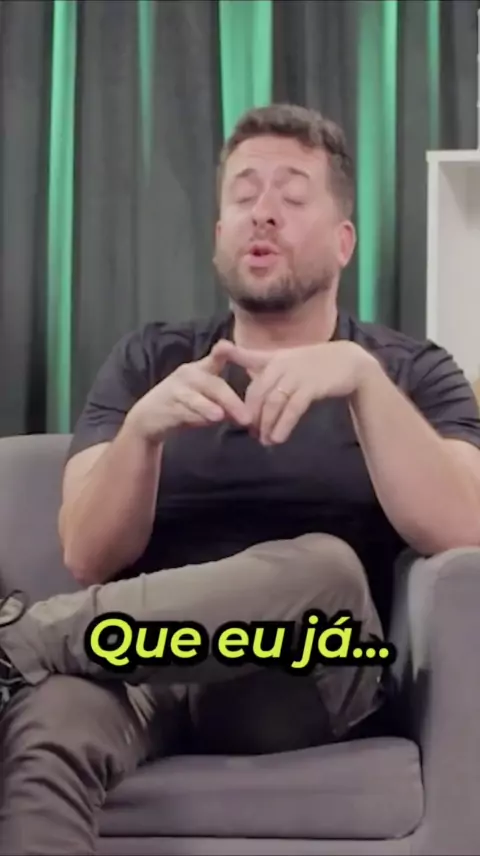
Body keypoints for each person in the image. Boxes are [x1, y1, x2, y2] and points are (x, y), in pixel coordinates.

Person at [1, 102, 480, 855]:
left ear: (344, 241)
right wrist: (142, 434)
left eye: (292, 196)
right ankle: (28, 654)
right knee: (50, 722)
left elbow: (466, 528)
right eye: (244, 194)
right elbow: (86, 554)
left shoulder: (410, 370)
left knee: (324, 567)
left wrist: (362, 382)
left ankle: (18, 640)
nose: (263, 212)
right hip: (142, 662)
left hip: (309, 675)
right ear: (219, 232)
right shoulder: (149, 360)